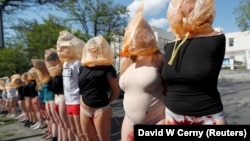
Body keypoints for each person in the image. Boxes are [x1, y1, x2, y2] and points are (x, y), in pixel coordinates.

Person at [162, 0, 227, 125]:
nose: (182, 7)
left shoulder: (216, 40)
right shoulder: (170, 46)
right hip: (172, 117)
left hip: (207, 118)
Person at [118, 3, 166, 141]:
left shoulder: (159, 59)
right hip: (129, 121)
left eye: (140, 33)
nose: (136, 38)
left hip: (156, 122)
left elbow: (169, 90)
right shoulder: (126, 61)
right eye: (132, 34)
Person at [79, 35, 120, 141]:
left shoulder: (107, 68)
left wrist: (106, 104)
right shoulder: (83, 67)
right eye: (90, 48)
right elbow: (82, 89)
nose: (92, 50)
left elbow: (116, 91)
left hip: (101, 109)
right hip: (84, 108)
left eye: (95, 48)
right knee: (89, 139)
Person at [57, 30, 85, 141]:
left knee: (81, 131)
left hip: (77, 101)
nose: (61, 50)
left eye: (64, 48)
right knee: (73, 129)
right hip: (68, 101)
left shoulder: (78, 63)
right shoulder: (65, 64)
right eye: (60, 48)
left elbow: (83, 81)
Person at [45, 48, 72, 141]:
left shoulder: (65, 69)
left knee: (67, 125)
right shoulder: (55, 72)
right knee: (61, 124)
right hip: (56, 97)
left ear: (57, 60)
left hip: (63, 97)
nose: (50, 66)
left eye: (52, 63)